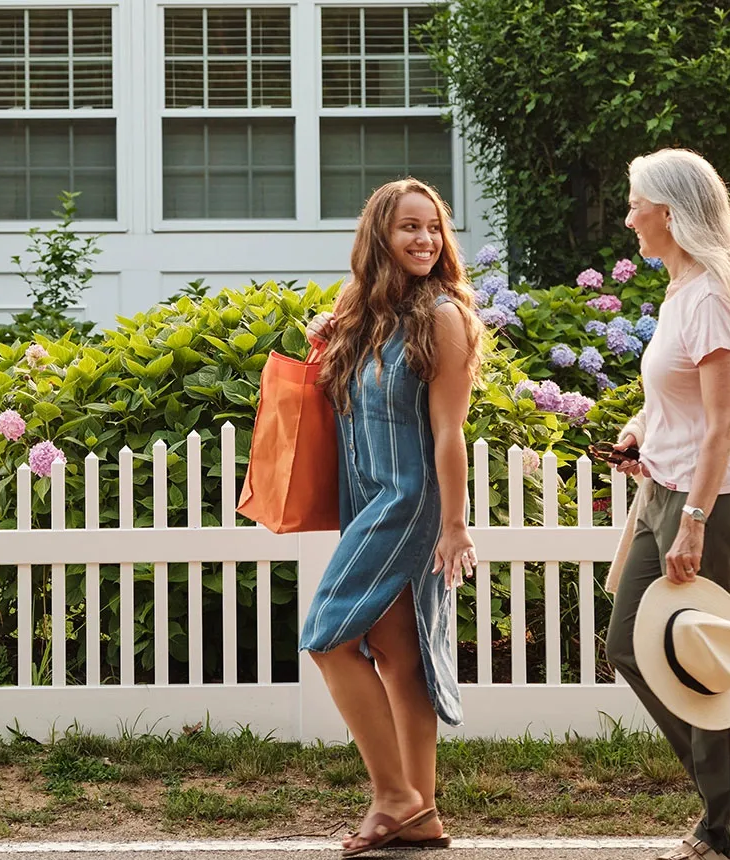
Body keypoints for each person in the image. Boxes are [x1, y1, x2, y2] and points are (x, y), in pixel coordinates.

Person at [300, 177, 484, 856]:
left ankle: (393, 795)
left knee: (327, 638)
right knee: (398, 655)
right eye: (409, 227)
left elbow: (448, 433)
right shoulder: (366, 311)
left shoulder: (443, 316)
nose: (425, 240)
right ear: (380, 235)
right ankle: (423, 813)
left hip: (407, 502)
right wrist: (326, 331)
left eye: (433, 227)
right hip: (367, 497)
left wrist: (455, 525)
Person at [604, 148, 730, 860]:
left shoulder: (712, 298)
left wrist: (696, 522)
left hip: (713, 499)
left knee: (700, 664)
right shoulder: (680, 290)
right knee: (628, 648)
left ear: (669, 213)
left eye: (637, 202)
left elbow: (724, 425)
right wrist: (639, 428)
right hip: (662, 488)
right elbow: (676, 404)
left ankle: (722, 831)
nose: (629, 216)